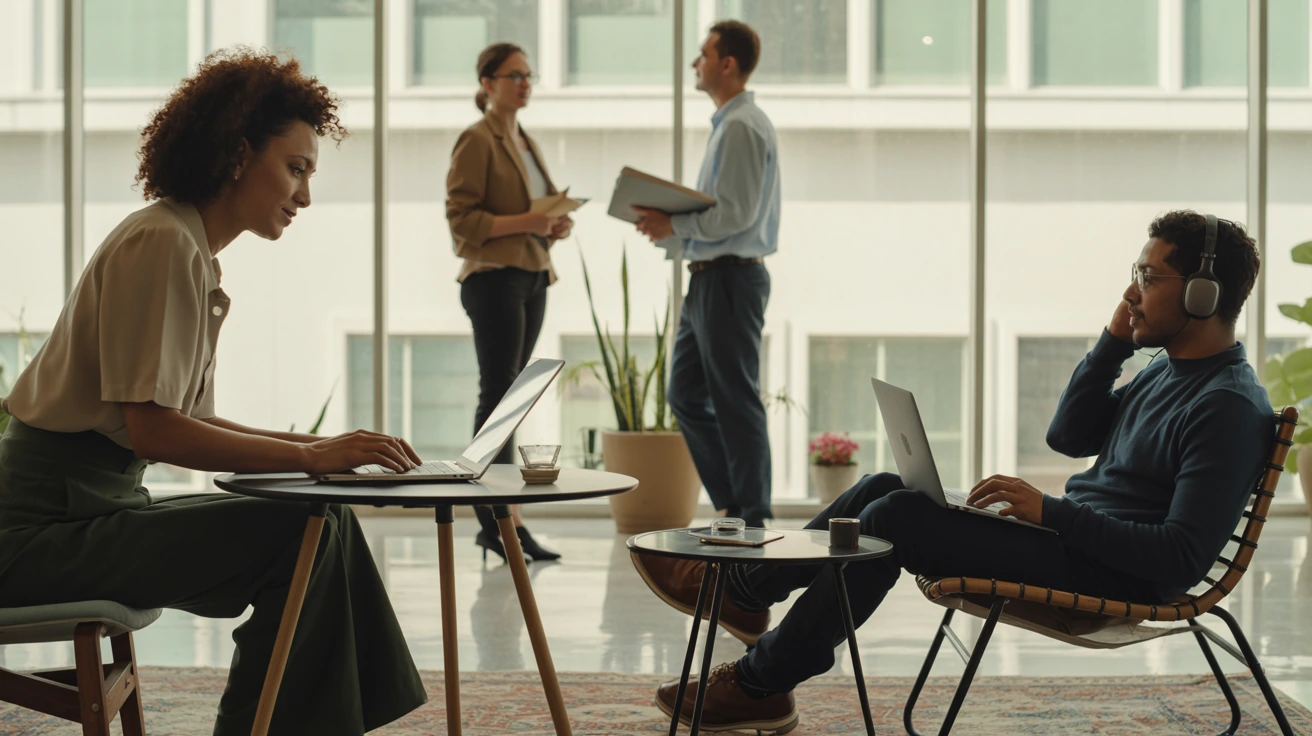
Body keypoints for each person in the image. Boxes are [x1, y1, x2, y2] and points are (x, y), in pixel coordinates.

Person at [632, 211, 1272, 733]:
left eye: (1148, 276)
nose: (1132, 290)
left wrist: (1049, 512)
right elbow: (1068, 437)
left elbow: (1179, 561)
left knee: (895, 518)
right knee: (885, 488)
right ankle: (745, 596)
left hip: (1115, 572)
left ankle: (758, 680)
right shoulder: (1167, 368)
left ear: (1202, 294)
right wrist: (1112, 342)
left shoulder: (1226, 406)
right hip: (1075, 542)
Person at [0, 49, 428, 736]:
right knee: (304, 529)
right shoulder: (163, 244)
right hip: (40, 538)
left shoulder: (189, 250)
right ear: (237, 154)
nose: (306, 196)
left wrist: (326, 448)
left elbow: (190, 421)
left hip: (90, 514)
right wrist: (315, 458)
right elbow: (158, 435)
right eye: (296, 168)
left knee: (324, 520)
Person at [632, 20, 780, 528]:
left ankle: (753, 514)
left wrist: (672, 222)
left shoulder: (740, 126)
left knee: (735, 400)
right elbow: (725, 213)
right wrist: (672, 231)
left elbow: (735, 215)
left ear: (727, 64)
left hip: (729, 279)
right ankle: (733, 504)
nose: (695, 63)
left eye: (703, 55)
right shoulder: (730, 125)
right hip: (709, 277)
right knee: (685, 394)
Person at [446, 42, 570, 564]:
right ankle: (496, 518)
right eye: (514, 75)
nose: (525, 83)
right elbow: (462, 220)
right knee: (499, 395)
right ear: (487, 82)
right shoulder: (477, 140)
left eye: (528, 75)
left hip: (532, 275)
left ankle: (506, 519)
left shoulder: (524, 140)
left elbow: (529, 215)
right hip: (494, 280)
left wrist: (552, 225)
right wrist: (531, 222)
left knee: (513, 396)